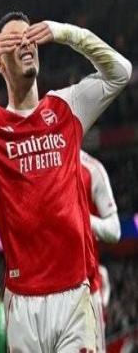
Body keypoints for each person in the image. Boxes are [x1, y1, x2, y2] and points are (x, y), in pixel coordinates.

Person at [0, 12, 132, 351]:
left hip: (75, 297)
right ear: (0, 63)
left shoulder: (67, 107)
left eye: (30, 38)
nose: (26, 44)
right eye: (13, 41)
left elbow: (120, 71)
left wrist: (65, 33)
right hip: (21, 304)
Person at [80, 150, 121, 351]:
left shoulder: (91, 168)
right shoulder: (36, 164)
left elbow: (115, 230)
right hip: (43, 293)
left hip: (87, 293)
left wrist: (83, 218)